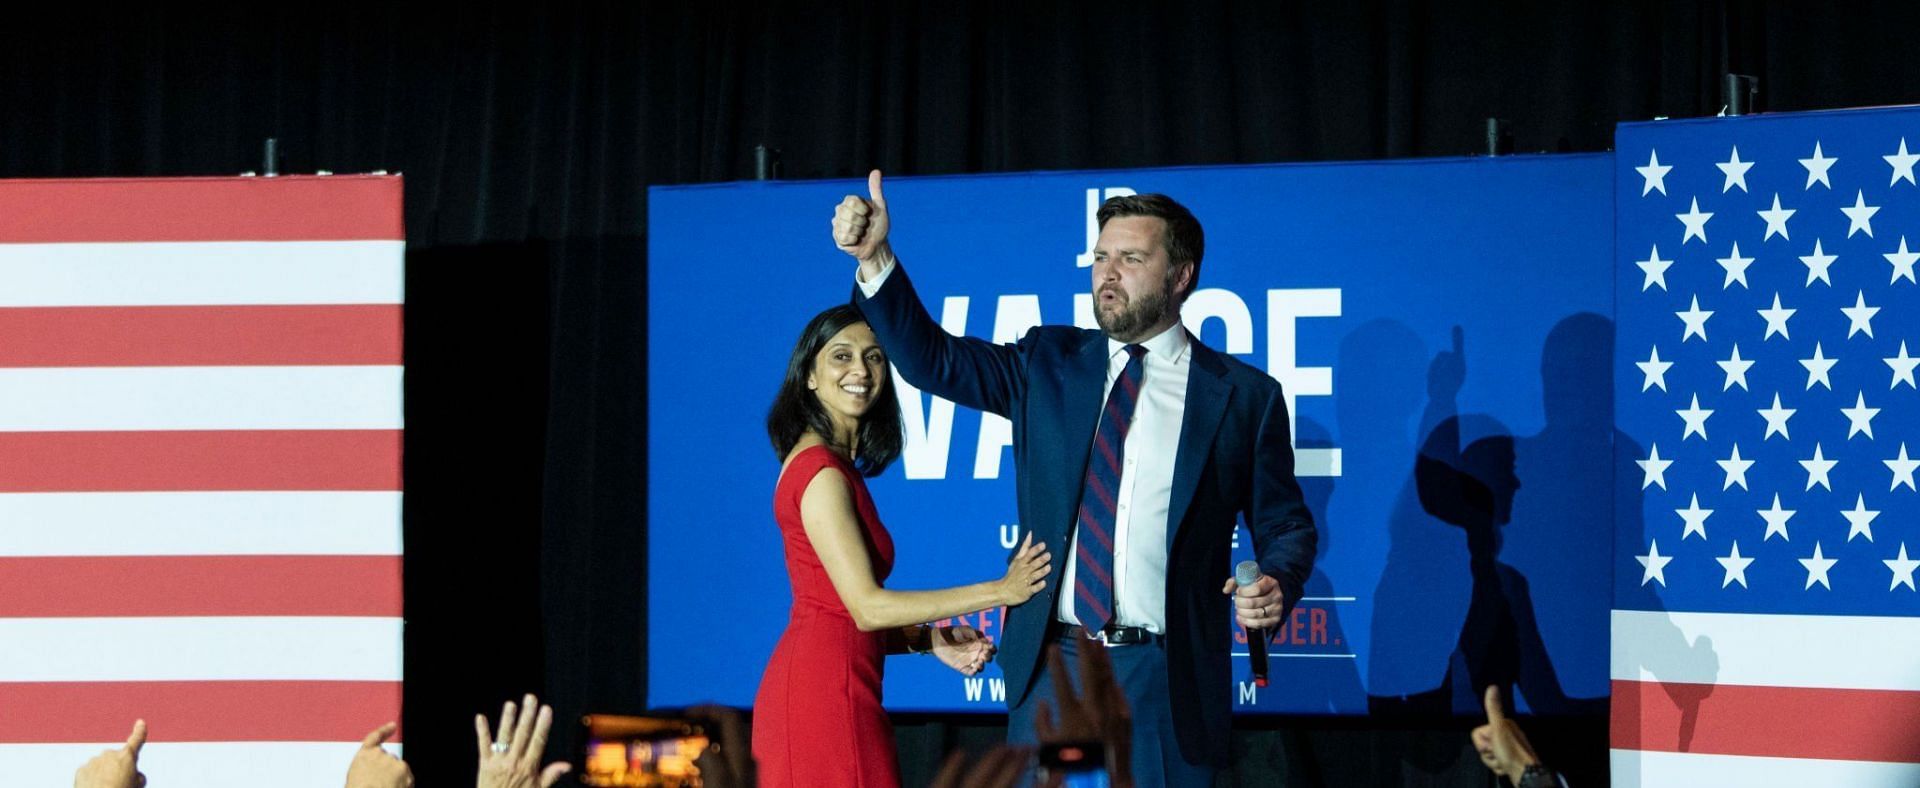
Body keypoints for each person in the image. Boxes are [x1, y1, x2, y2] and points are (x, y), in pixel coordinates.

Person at [834, 171, 1317, 785]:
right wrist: (875, 258)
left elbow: (1286, 523)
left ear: (1182, 275)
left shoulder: (1242, 397)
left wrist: (1277, 579)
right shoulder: (1047, 363)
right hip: (1053, 669)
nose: (1107, 274)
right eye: (1101, 258)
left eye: (1131, 259)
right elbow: (935, 361)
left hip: (1166, 680)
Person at [755, 304, 1054, 788]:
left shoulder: (834, 465)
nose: (861, 370)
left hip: (842, 688)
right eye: (841, 356)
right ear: (809, 375)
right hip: (820, 702)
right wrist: (1002, 590)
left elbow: (845, 618)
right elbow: (868, 609)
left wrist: (927, 639)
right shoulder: (820, 473)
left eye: (874, 357)